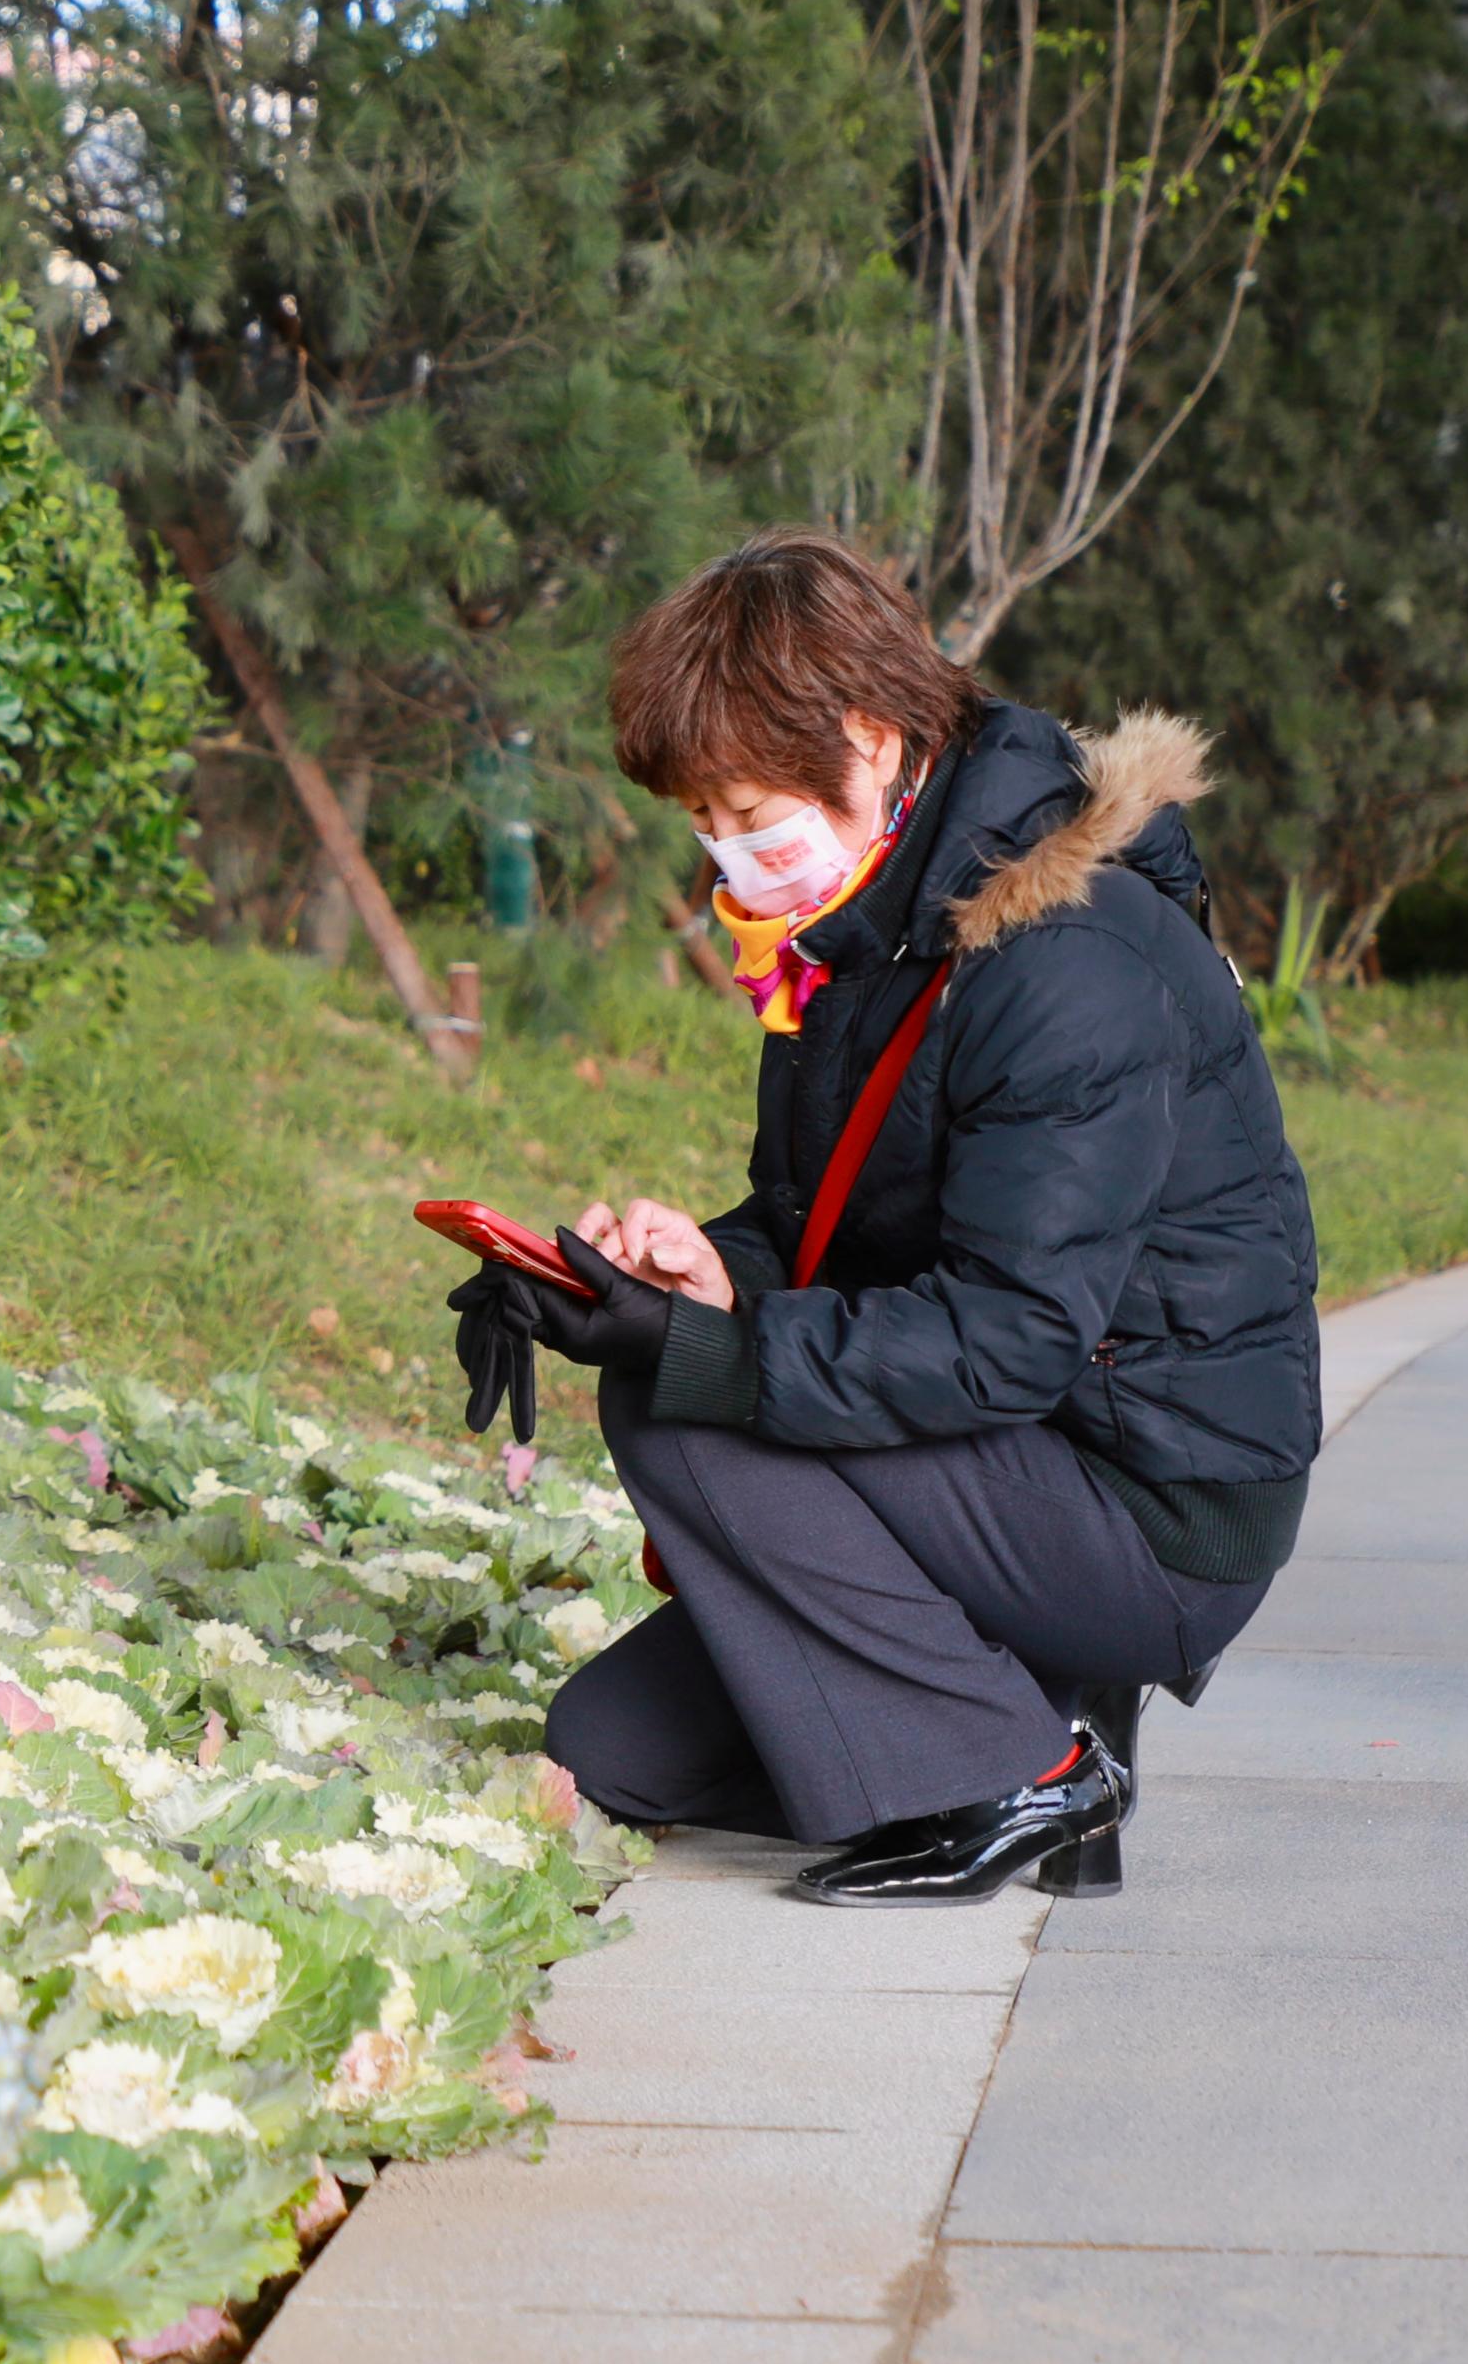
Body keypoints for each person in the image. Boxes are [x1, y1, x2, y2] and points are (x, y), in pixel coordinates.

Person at [446, 531, 1318, 1907]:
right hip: (1012, 1458)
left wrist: (694, 1347)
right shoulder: (869, 926)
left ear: (868, 735)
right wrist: (684, 1272)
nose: (726, 850)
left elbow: (1008, 1336)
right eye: (702, 818)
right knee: (608, 1748)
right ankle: (1033, 1705)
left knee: (676, 1401)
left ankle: (1028, 1775)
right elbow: (830, 1221)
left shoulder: (1066, 960)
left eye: (747, 809)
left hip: (1149, 1504)